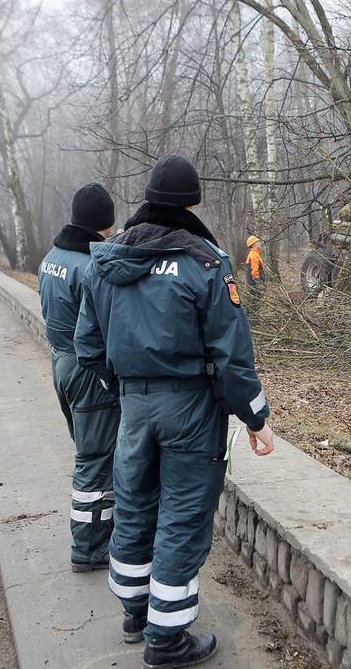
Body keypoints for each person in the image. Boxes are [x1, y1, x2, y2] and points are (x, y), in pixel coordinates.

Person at [75, 155, 275, 668]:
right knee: (183, 516)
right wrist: (255, 417)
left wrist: (126, 391)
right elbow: (232, 356)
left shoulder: (105, 262)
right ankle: (167, 639)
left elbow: (87, 347)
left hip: (135, 407)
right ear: (192, 202)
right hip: (191, 409)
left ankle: (135, 614)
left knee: (136, 505)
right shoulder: (205, 263)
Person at [38, 183, 121, 573]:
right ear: (104, 224)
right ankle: (88, 549)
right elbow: (103, 328)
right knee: (94, 461)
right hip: (87, 371)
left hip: (60, 363)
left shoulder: (51, 258)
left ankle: (101, 531)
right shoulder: (90, 266)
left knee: (93, 453)